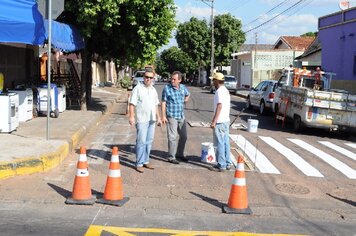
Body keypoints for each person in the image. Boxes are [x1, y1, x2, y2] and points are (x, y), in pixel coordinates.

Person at [129, 68, 162, 173]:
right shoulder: (138, 88)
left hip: (152, 119)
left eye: (150, 77)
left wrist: (159, 117)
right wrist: (131, 116)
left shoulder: (153, 89)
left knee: (149, 141)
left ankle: (146, 161)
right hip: (142, 119)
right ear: (143, 77)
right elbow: (132, 104)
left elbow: (156, 105)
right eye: (146, 77)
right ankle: (139, 163)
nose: (148, 79)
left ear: (153, 79)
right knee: (141, 141)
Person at [161, 71, 190, 164]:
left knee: (184, 136)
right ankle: (171, 157)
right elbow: (163, 102)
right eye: (171, 79)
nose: (172, 81)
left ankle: (179, 154)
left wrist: (186, 100)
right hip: (172, 116)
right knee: (172, 137)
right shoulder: (167, 88)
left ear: (180, 80)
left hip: (181, 116)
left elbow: (188, 94)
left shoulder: (183, 88)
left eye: (174, 79)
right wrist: (163, 116)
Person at [209, 72, 232, 172]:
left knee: (220, 143)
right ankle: (227, 162)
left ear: (217, 81)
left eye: (213, 80)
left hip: (220, 121)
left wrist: (214, 121)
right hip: (225, 120)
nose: (212, 82)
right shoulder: (225, 90)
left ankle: (221, 164)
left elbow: (219, 106)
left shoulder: (219, 92)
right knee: (225, 142)